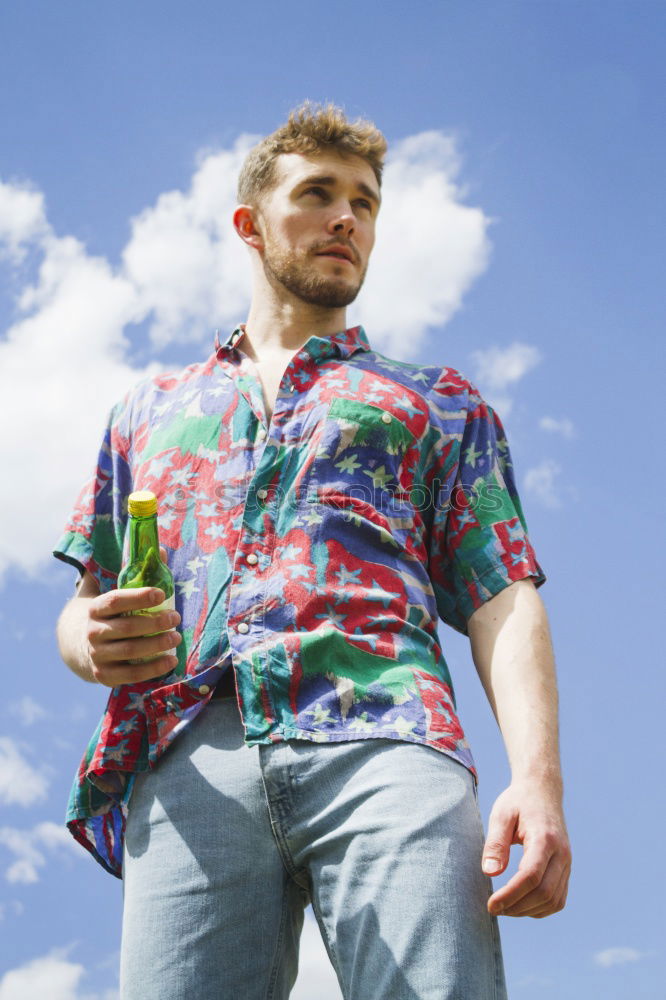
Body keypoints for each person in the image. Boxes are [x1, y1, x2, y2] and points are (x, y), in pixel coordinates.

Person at [54, 101, 571, 1000]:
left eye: (365, 203)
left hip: (389, 736)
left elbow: (504, 594)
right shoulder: (147, 410)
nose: (346, 218)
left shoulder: (439, 402)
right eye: (319, 193)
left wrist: (537, 779)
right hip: (190, 759)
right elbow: (86, 598)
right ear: (251, 225)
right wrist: (86, 638)